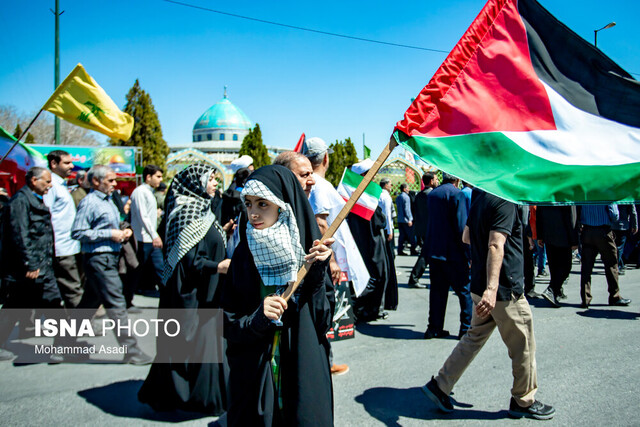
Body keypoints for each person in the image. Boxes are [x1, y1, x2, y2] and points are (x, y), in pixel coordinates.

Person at [422, 189, 555, 420]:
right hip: (503, 290)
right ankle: (523, 400)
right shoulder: (504, 198)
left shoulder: (481, 196)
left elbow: (467, 237)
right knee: (523, 344)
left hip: (481, 286)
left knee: (473, 338)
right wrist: (492, 290)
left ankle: (440, 385)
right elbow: (496, 244)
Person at [223, 165, 334, 426]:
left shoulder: (309, 253)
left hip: (301, 366)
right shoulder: (243, 256)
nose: (253, 213)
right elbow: (227, 320)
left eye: (263, 204)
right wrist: (258, 318)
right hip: (256, 373)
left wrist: (317, 273)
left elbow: (323, 320)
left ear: (283, 206)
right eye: (249, 204)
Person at [139, 164, 231, 414]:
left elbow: (199, 244)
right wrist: (219, 265)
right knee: (187, 346)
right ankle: (186, 397)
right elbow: (191, 261)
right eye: (210, 179)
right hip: (189, 293)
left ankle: (200, 396)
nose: (215, 184)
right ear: (195, 184)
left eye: (215, 179)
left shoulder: (203, 210)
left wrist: (221, 233)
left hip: (204, 290)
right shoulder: (187, 212)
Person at [71, 165, 152, 364]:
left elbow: (112, 225)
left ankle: (62, 344)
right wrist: (110, 234)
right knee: (116, 303)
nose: (115, 184)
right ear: (96, 181)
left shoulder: (108, 201)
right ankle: (131, 350)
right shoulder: (89, 202)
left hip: (109, 258)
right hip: (98, 259)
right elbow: (78, 232)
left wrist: (123, 230)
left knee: (87, 305)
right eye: (110, 180)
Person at [303, 139, 371, 376]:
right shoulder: (319, 185)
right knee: (325, 311)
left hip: (327, 258)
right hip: (328, 260)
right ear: (325, 158)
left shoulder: (315, 184)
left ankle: (324, 360)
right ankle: (324, 363)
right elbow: (321, 223)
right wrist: (330, 260)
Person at [0, 167, 62, 362]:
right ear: (34, 181)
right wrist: (30, 264)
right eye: (47, 182)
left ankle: (60, 348)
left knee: (52, 306)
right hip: (29, 269)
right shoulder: (20, 201)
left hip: (42, 265)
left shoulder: (33, 199)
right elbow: (19, 234)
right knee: (14, 308)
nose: (50, 186)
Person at [423, 173, 472, 340]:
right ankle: (465, 329)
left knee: (437, 292)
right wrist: (468, 253)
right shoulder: (457, 194)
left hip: (436, 251)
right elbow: (460, 226)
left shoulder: (433, 194)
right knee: (464, 291)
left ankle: (434, 327)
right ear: (457, 179)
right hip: (454, 253)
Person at [346, 159, 392, 322]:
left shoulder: (355, 196)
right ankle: (361, 309)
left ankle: (367, 310)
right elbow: (378, 219)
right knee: (376, 275)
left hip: (363, 240)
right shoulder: (364, 197)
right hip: (370, 241)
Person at [44, 150, 83, 309]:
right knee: (73, 289)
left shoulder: (61, 185)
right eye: (66, 163)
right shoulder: (51, 185)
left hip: (68, 245)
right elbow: (47, 217)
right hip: (60, 247)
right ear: (54, 164)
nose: (72, 166)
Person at [579, 204, 631, 308]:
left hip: (587, 231)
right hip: (603, 231)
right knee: (611, 264)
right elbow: (614, 214)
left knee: (586, 267)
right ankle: (614, 296)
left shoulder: (586, 191)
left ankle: (585, 298)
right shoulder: (606, 191)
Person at [129, 165, 165, 302]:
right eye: (158, 176)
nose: (160, 180)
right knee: (135, 270)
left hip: (151, 238)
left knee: (160, 269)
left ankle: (168, 296)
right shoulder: (140, 192)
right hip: (142, 238)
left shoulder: (149, 192)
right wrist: (154, 234)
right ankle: (126, 299)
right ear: (148, 177)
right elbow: (142, 215)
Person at [537, 206, 579, 307]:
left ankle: (556, 292)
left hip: (549, 235)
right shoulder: (565, 195)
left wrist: (540, 235)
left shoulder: (546, 194)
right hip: (563, 237)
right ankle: (551, 290)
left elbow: (539, 215)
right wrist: (574, 240)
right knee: (566, 267)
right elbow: (571, 218)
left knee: (554, 266)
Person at [408, 173, 438, 288]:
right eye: (435, 179)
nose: (437, 181)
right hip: (430, 230)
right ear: (431, 181)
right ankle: (414, 278)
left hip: (421, 229)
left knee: (427, 254)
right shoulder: (432, 195)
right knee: (426, 255)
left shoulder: (419, 195)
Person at [611, 204, 638, 275]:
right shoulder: (627, 197)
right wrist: (634, 225)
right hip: (623, 225)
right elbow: (633, 212)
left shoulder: (612, 195)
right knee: (619, 247)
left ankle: (620, 264)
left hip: (612, 225)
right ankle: (618, 266)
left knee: (614, 246)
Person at [396, 183, 418, 256]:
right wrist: (410, 219)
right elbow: (407, 209)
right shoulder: (406, 197)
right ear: (404, 189)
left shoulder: (398, 197)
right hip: (406, 220)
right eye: (407, 188)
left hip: (400, 219)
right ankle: (413, 250)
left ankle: (400, 250)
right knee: (412, 236)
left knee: (402, 236)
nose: (409, 189)